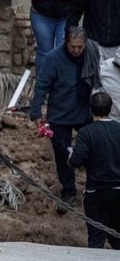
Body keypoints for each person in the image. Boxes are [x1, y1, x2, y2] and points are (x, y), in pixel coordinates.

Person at [30, 27, 93, 213]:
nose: (76, 51)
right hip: (60, 114)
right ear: (66, 43)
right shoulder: (52, 59)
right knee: (62, 154)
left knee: (93, 150)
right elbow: (41, 85)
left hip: (84, 111)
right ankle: (68, 190)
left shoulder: (91, 55)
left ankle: (94, 189)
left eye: (80, 47)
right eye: (73, 47)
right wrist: (36, 112)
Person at [68, 91, 120, 249]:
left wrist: (70, 155)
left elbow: (76, 161)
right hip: (119, 192)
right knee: (118, 239)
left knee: (96, 240)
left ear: (91, 110)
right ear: (110, 109)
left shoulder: (86, 132)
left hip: (96, 194)